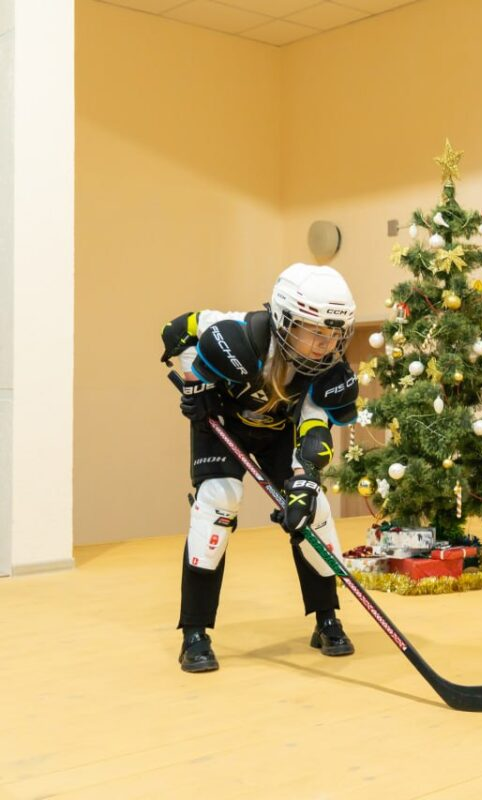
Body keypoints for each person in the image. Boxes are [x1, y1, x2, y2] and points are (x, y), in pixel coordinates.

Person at [159, 263, 360, 673]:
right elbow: (179, 331)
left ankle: (326, 619)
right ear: (286, 318)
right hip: (221, 426)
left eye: (334, 334)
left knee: (313, 511)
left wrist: (304, 483)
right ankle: (194, 635)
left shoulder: (324, 371)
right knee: (218, 503)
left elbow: (314, 431)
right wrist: (197, 387)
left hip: (277, 434)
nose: (326, 344)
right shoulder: (236, 332)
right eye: (316, 332)